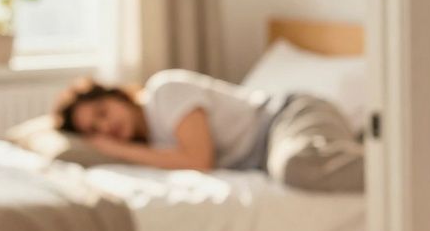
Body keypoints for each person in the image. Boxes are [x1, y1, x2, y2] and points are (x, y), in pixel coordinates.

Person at [53, 69, 363, 192]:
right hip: (266, 152)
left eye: (102, 113)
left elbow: (199, 160)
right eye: (95, 130)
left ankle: (401, 170)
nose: (106, 127)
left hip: (287, 116)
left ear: (118, 95)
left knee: (297, 167)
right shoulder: (154, 143)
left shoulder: (164, 92)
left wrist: (118, 150)